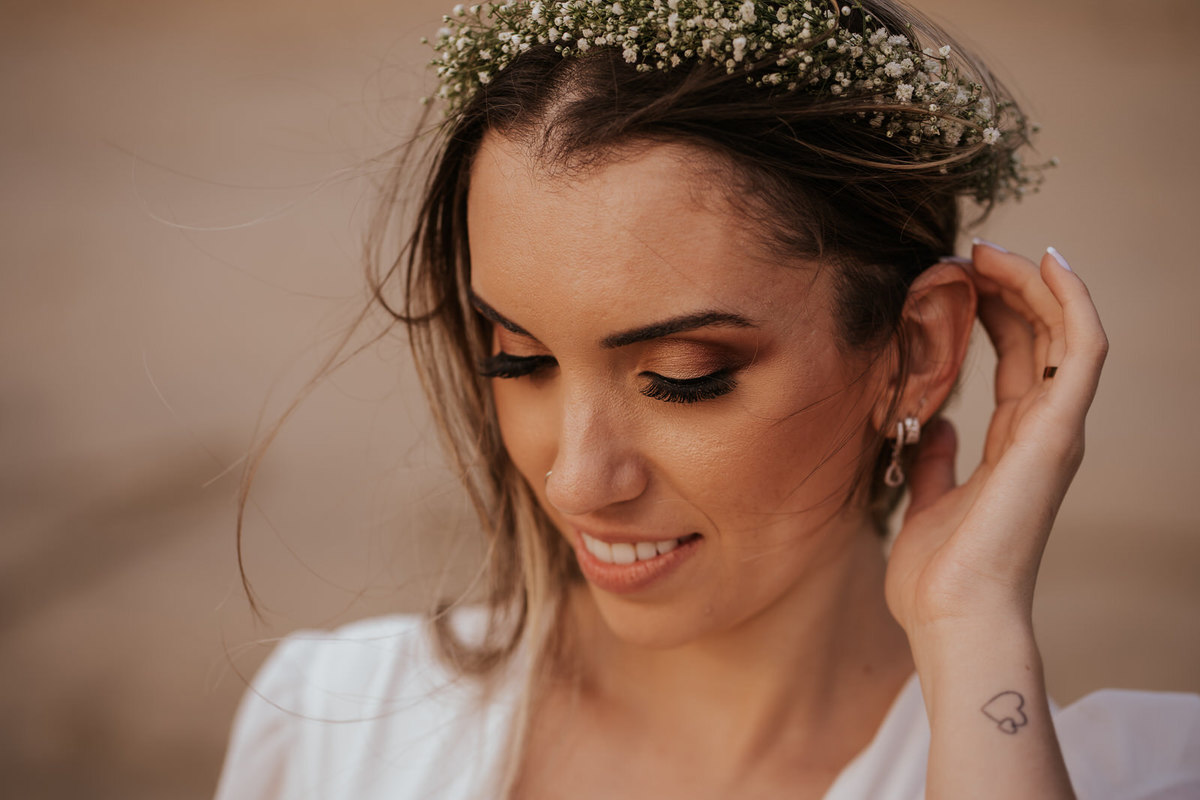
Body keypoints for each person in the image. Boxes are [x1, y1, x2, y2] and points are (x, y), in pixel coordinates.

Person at [215, 1, 1200, 798]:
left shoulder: (1130, 774)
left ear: (913, 348)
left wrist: (972, 627)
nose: (577, 478)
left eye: (683, 377)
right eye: (520, 359)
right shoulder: (335, 728)